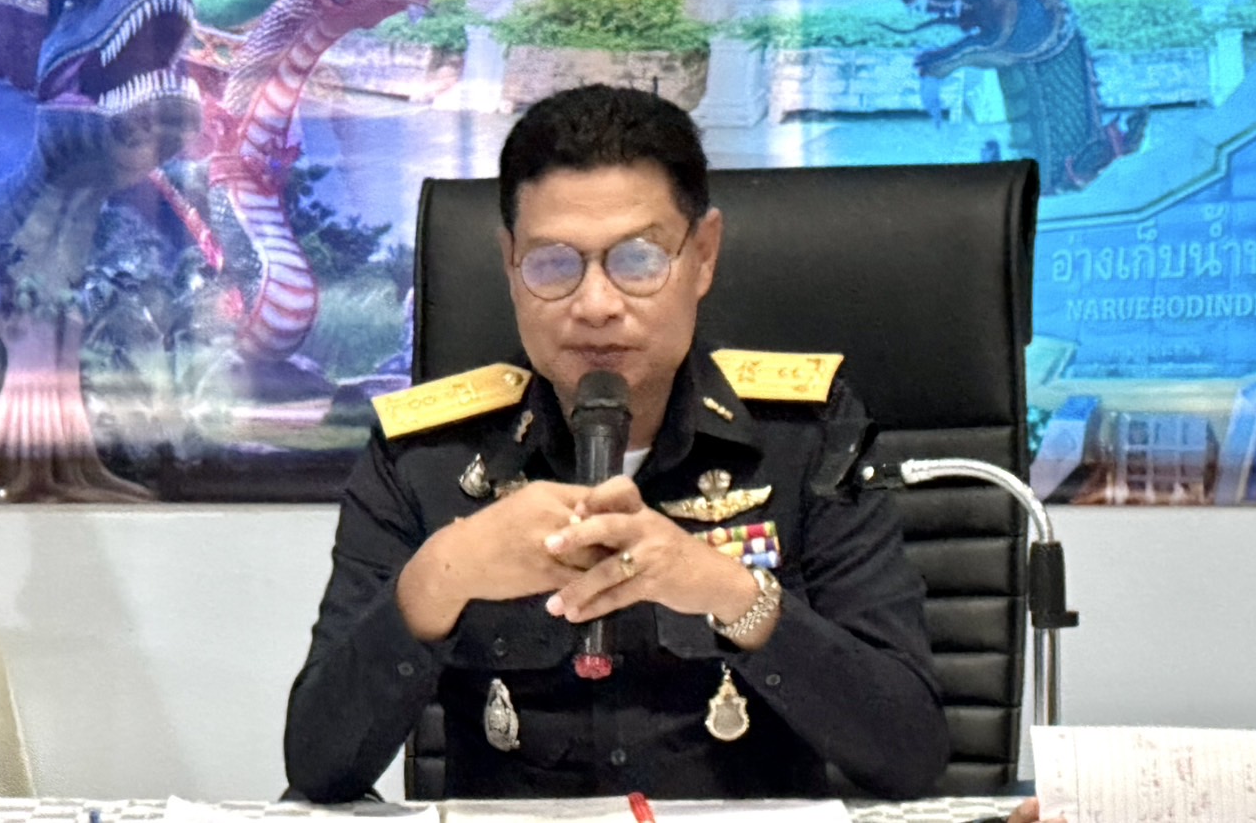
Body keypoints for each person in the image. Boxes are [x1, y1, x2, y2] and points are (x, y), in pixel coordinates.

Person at [284, 84, 949, 803]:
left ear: (703, 256)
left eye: (637, 261)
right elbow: (319, 768)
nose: (596, 305)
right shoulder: (428, 457)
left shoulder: (803, 438)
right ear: (509, 264)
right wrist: (441, 576)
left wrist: (732, 594)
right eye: (552, 264)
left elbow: (908, 755)